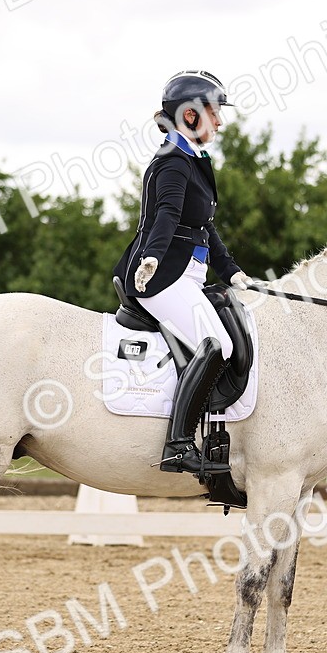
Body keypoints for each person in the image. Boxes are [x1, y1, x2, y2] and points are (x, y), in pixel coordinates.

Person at [112, 70, 257, 475]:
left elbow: (204, 227)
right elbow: (166, 215)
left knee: (226, 332)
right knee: (215, 344)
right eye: (214, 113)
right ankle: (177, 445)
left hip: (186, 274)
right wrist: (152, 258)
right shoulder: (173, 162)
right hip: (160, 275)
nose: (220, 122)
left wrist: (232, 272)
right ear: (191, 116)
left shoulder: (193, 160)